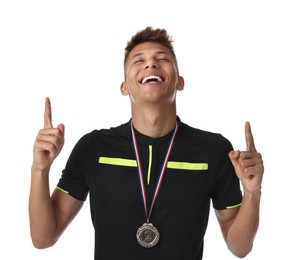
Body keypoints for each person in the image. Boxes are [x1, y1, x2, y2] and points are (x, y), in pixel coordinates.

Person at [29, 26, 264, 260]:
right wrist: (40, 169)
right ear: (124, 87)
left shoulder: (214, 150)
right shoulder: (93, 148)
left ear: (180, 82)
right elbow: (43, 238)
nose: (150, 64)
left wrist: (253, 192)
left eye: (162, 59)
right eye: (138, 61)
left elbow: (239, 247)